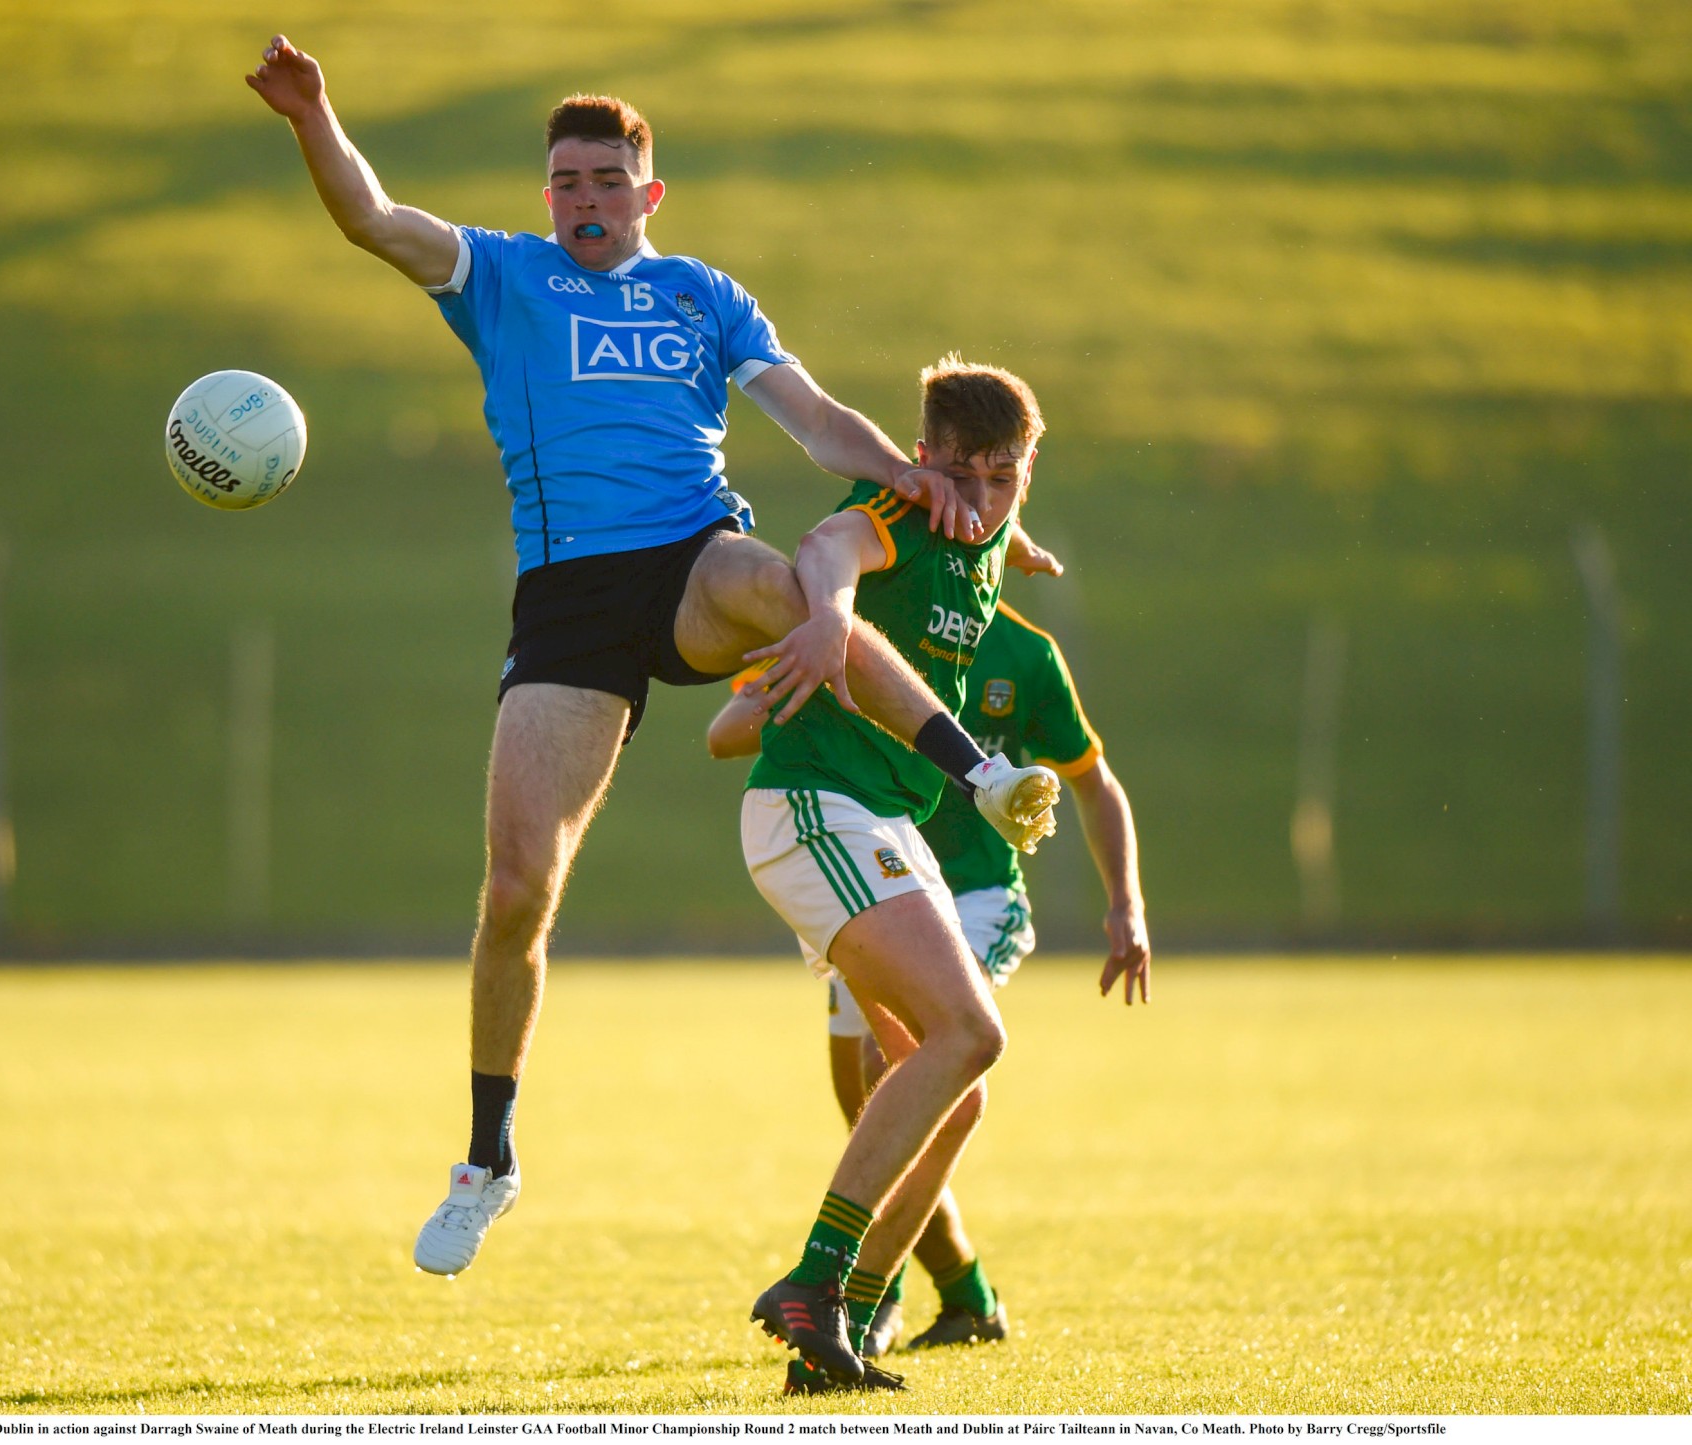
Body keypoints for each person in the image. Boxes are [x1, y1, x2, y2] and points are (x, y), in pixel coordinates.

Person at [245, 40, 1057, 1279]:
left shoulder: (700, 296)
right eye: (565, 180)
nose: (583, 199)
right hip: (569, 605)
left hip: (689, 557)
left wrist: (909, 474)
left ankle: (972, 772)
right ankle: (487, 1158)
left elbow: (810, 412)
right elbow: (369, 216)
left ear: (646, 195)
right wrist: (313, 113)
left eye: (605, 181)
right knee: (519, 884)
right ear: (546, 195)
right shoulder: (502, 278)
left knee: (792, 582)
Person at [731, 356, 1066, 1391]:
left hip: (882, 819)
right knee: (973, 1034)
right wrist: (829, 610)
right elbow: (829, 542)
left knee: (952, 1086)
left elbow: (993, 532)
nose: (971, 499)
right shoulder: (897, 509)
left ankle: (837, 1328)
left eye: (999, 478)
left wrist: (1016, 538)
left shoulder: (990, 535)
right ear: (918, 460)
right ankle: (827, 1284)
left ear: (1023, 474)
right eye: (953, 472)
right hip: (815, 805)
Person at [711, 591, 1151, 1364]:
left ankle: (858, 1292)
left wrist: (1126, 902)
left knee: (922, 1062)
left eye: (994, 492)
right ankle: (963, 1289)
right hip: (872, 875)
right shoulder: (874, 623)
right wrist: (793, 693)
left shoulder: (1028, 656)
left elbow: (1093, 778)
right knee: (870, 1101)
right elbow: (724, 732)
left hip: (976, 895)